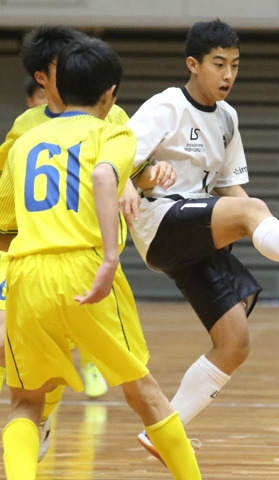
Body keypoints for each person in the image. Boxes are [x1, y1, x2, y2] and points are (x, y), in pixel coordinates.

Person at [126, 19, 279, 461]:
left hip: (197, 229)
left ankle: (164, 431)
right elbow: (116, 159)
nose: (228, 75)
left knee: (235, 342)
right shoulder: (165, 107)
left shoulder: (228, 118)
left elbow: (232, 190)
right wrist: (142, 174)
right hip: (159, 222)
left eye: (235, 65)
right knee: (250, 210)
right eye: (218, 64)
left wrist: (261, 222)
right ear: (193, 64)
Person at [0, 36, 201, 480]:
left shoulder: (22, 142)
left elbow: (5, 227)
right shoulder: (113, 129)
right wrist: (110, 258)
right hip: (86, 266)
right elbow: (105, 175)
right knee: (143, 391)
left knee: (25, 404)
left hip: (26, 272)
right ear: (110, 94)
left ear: (57, 86)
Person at [0, 25, 133, 462]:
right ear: (43, 77)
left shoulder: (111, 116)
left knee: (37, 371)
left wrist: (137, 180)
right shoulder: (27, 126)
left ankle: (35, 422)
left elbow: (136, 167)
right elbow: (6, 203)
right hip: (41, 252)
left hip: (80, 254)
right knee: (139, 387)